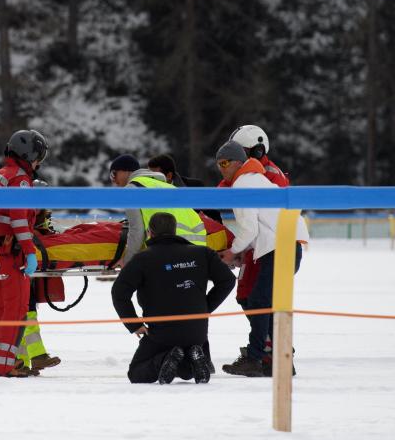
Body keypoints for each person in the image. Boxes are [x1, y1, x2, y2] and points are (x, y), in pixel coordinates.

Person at [214, 140, 304, 377]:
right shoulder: (255, 178)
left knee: (258, 302)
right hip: (284, 245)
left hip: (280, 248)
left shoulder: (243, 184)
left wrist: (233, 250)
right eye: (218, 164)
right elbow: (262, 226)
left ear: (238, 163)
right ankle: (280, 360)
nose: (221, 168)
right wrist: (242, 251)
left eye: (225, 162)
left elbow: (250, 229)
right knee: (268, 304)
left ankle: (255, 359)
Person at [111, 212, 235, 384]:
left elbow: (119, 293)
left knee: (137, 373)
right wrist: (205, 308)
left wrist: (134, 324)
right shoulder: (203, 253)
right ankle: (194, 360)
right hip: (196, 332)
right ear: (175, 230)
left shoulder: (143, 259)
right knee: (184, 372)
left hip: (161, 332)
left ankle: (165, 359)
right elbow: (228, 281)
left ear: (150, 232)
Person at [223, 125, 291, 362]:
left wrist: (235, 250)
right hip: (264, 244)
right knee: (258, 298)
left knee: (252, 298)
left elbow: (253, 221)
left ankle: (266, 349)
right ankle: (268, 346)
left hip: (264, 246)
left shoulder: (254, 176)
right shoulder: (267, 172)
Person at [0, 129, 50, 377]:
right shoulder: (20, 180)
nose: (37, 164)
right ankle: (5, 367)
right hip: (13, 257)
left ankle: (1, 362)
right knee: (15, 310)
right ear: (29, 155)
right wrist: (29, 252)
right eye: (37, 159)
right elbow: (20, 222)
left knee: (0, 310)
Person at [115, 162, 207, 266]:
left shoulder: (131, 189)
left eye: (114, 174)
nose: (113, 180)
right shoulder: (169, 187)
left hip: (168, 249)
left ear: (126, 171)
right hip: (197, 251)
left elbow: (137, 231)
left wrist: (127, 262)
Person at [147, 153, 223, 224]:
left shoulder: (194, 188)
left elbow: (215, 218)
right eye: (149, 176)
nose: (150, 181)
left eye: (155, 177)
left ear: (169, 176)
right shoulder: (147, 194)